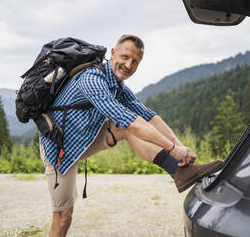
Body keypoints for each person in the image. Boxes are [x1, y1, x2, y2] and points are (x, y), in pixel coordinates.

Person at [39, 34, 223, 237]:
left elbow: (148, 116)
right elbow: (128, 119)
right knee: (64, 218)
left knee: (126, 128)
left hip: (84, 140)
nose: (128, 64)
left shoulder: (118, 86)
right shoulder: (91, 78)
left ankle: (180, 172)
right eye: (125, 57)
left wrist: (179, 145)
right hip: (60, 149)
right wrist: (173, 149)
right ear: (112, 53)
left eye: (135, 61)